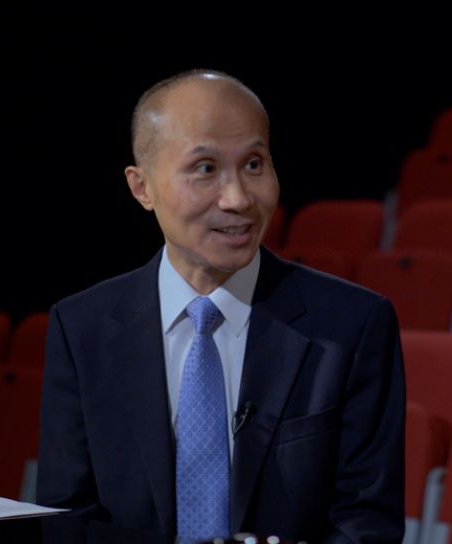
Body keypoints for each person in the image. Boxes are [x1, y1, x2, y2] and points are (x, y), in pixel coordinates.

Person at [37, 69, 405, 543]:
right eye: (205, 168)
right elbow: (67, 523)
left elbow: (366, 525)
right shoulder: (81, 328)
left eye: (254, 164)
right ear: (141, 187)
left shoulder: (353, 326)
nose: (238, 199)